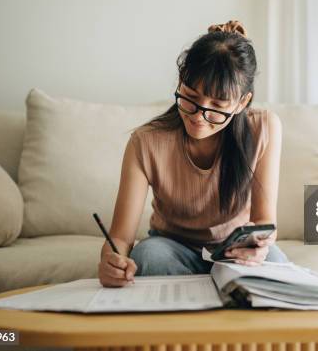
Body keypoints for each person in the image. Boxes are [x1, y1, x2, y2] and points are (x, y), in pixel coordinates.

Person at [98, 20, 288, 288]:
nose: (199, 116)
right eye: (190, 97)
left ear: (242, 103)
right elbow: (120, 236)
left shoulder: (264, 127)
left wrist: (259, 247)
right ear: (180, 81)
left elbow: (265, 221)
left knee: (277, 267)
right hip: (172, 248)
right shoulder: (145, 141)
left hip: (234, 251)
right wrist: (111, 259)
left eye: (217, 105)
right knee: (147, 256)